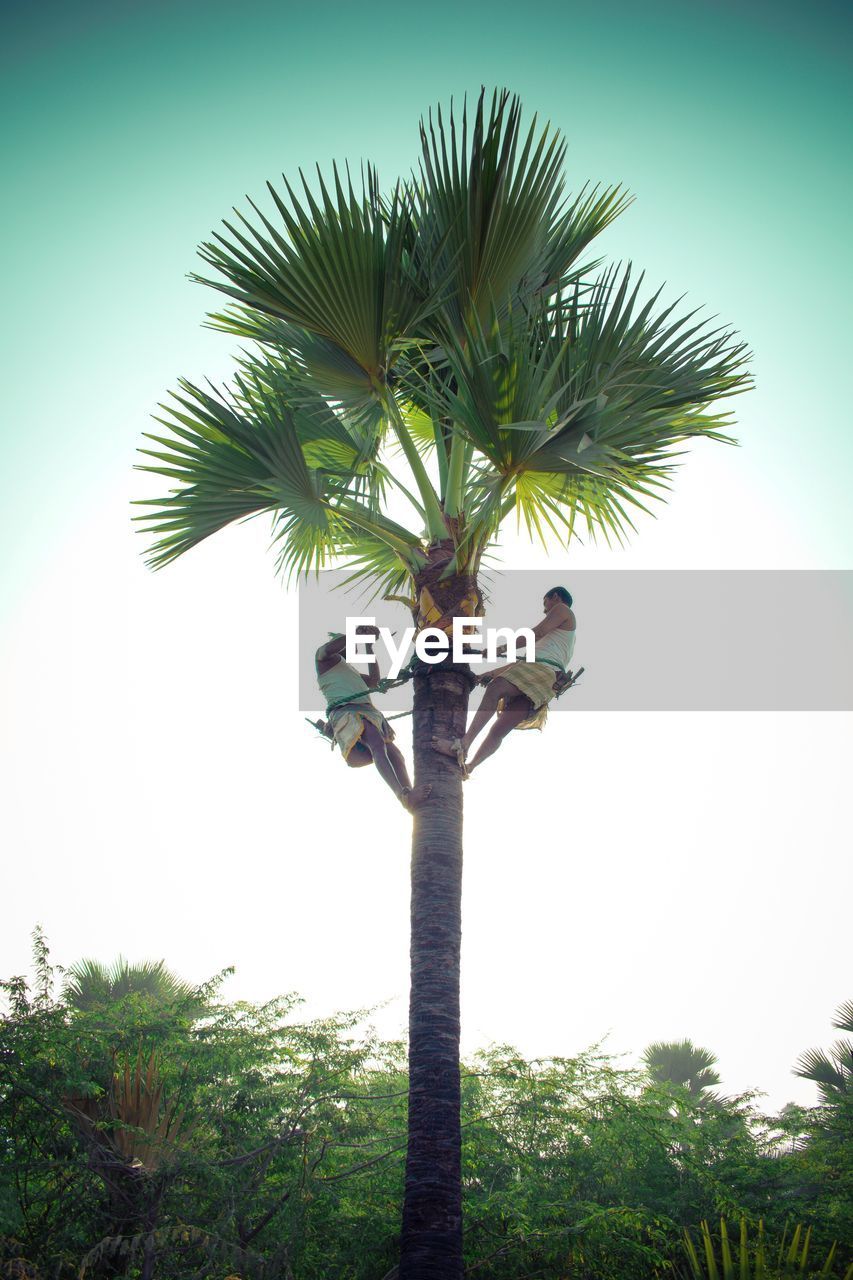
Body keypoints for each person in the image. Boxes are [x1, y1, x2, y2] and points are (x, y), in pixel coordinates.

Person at [432, 586, 576, 775]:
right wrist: (488, 674)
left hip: (543, 671)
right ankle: (470, 767)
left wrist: (499, 649)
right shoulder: (557, 641)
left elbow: (537, 632)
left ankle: (463, 744)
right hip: (547, 679)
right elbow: (523, 663)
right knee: (499, 729)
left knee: (495, 688)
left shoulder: (563, 609)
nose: (545, 609)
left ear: (555, 597)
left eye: (545, 603)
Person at [314, 627, 431, 811]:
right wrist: (357, 634)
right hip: (350, 713)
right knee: (378, 746)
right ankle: (404, 796)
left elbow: (375, 680)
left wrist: (369, 645)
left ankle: (408, 793)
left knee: (395, 754)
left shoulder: (351, 672)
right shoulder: (323, 659)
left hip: (368, 714)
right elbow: (328, 649)